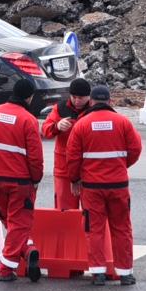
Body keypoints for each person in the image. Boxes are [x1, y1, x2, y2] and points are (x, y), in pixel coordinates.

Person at [64, 84, 143, 286]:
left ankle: (98, 272)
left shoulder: (82, 124)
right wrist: (120, 165)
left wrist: (75, 179)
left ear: (91, 101)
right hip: (118, 185)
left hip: (91, 187)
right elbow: (135, 149)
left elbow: (72, 157)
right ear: (110, 101)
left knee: (94, 229)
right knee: (122, 228)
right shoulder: (123, 122)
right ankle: (125, 273)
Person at [0, 79, 45, 282]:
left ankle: (28, 248)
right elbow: (35, 156)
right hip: (21, 182)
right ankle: (7, 267)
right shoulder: (28, 119)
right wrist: (36, 179)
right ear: (29, 97)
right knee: (19, 223)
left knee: (7, 217)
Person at [41, 78, 92, 210]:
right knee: (64, 212)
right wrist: (57, 126)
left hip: (89, 169)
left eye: (80, 98)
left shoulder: (95, 109)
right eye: (74, 97)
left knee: (92, 213)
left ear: (89, 96)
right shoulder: (60, 108)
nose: (77, 101)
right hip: (64, 170)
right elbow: (45, 130)